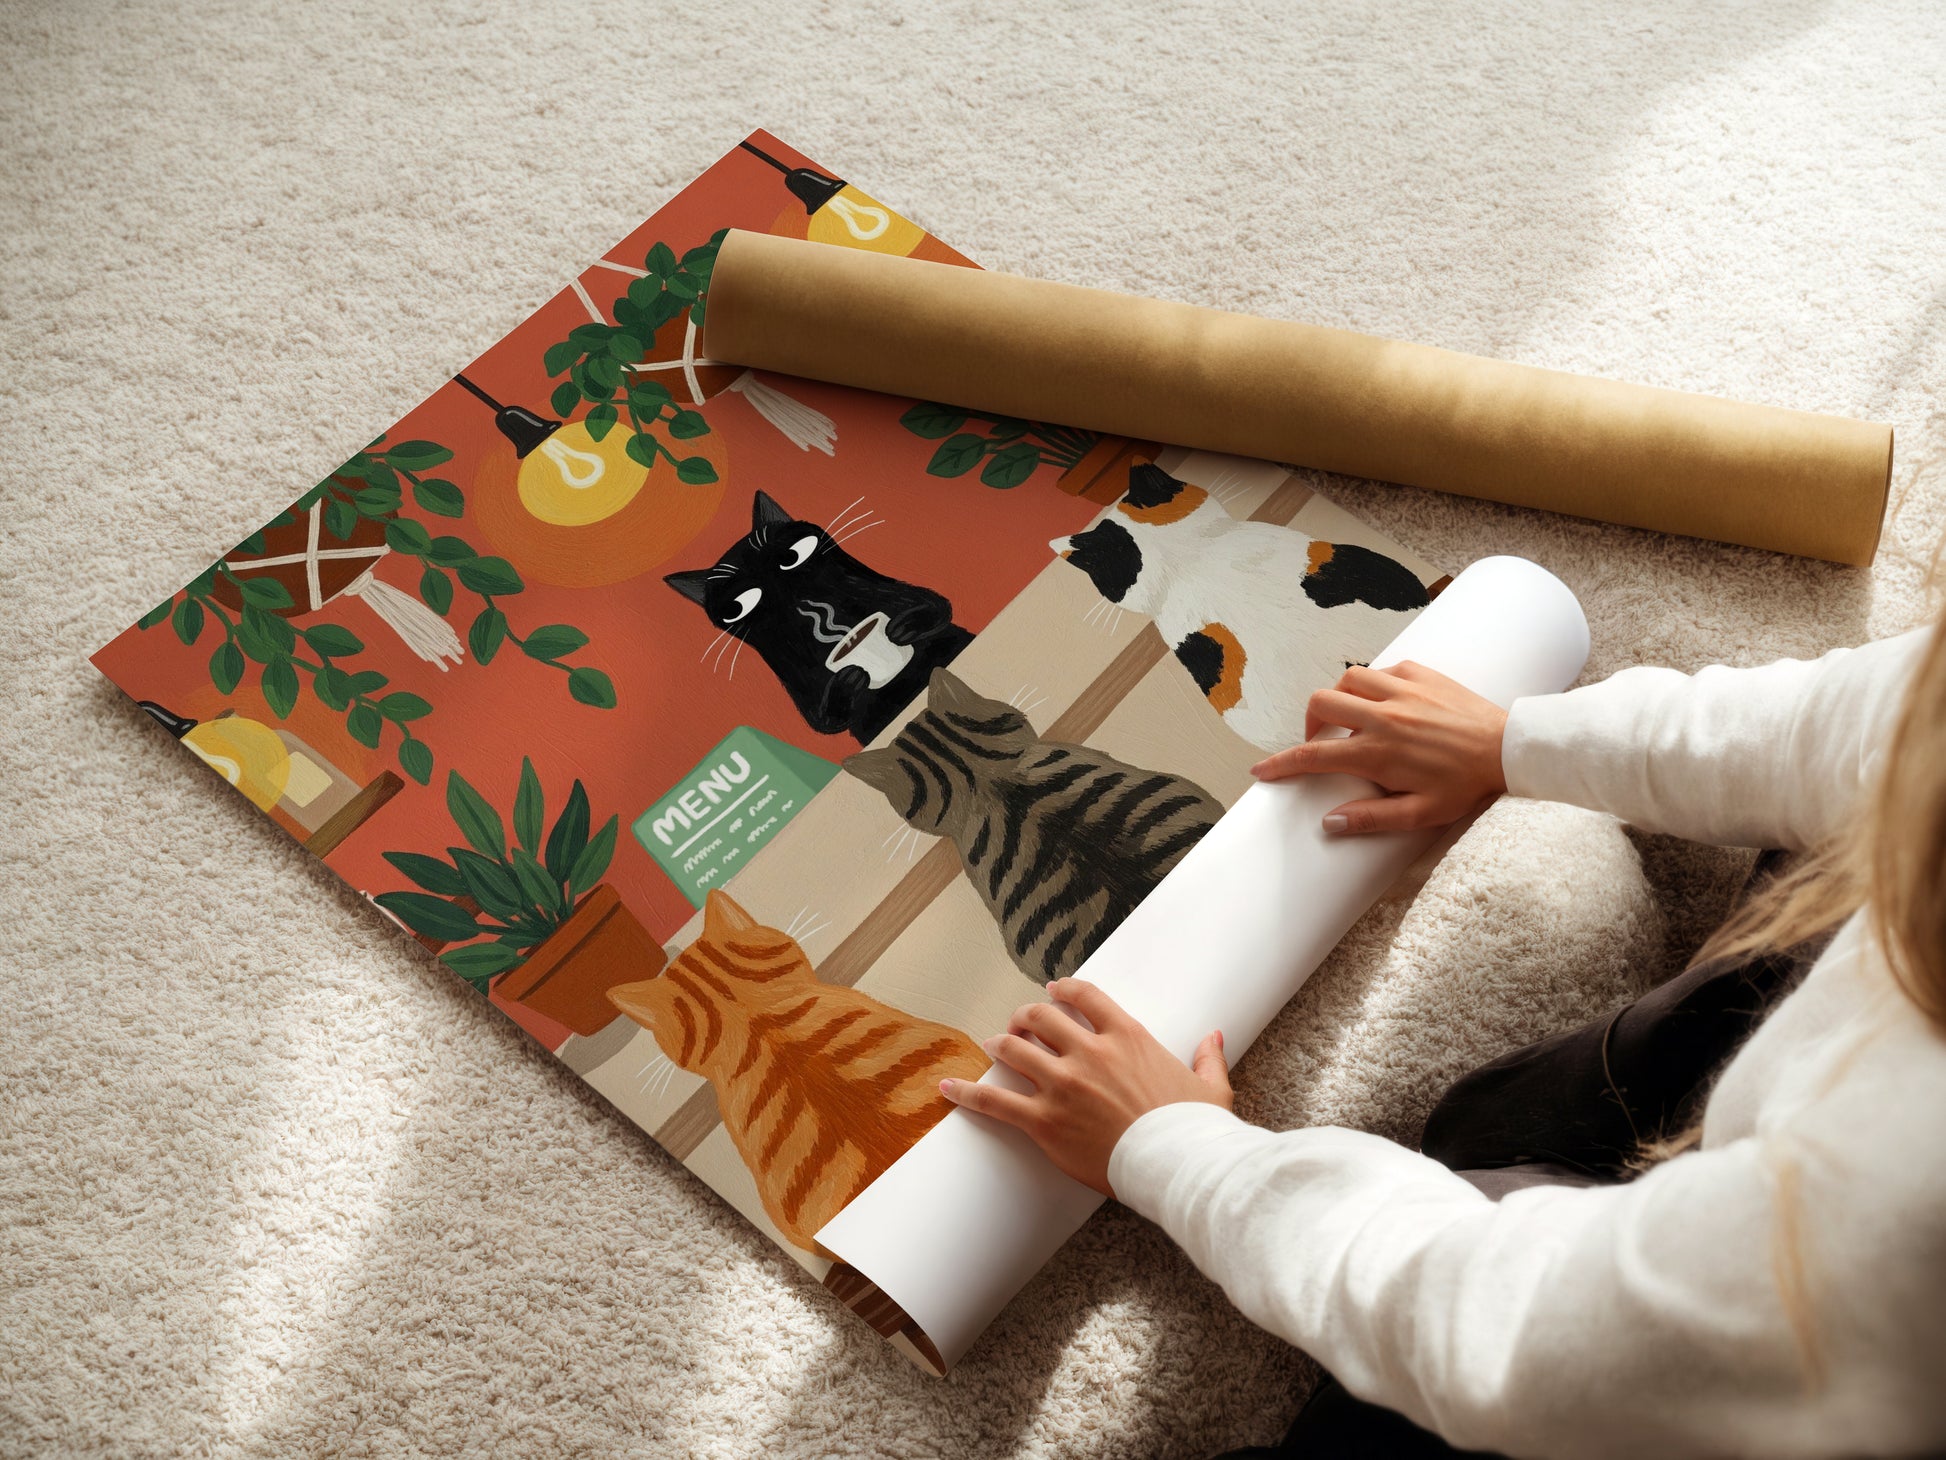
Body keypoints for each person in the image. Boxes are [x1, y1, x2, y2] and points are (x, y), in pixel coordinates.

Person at [939, 622, 1946, 1458]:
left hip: (1795, 1369)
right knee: (1504, 1120)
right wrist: (1514, 740)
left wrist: (1174, 1150)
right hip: (1805, 1170)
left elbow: (1510, 1329)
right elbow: (1864, 719)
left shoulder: (1895, 1211)